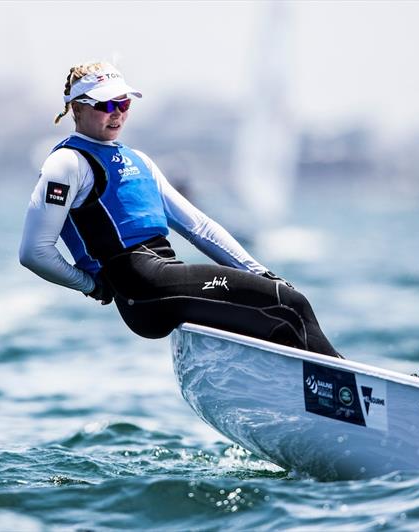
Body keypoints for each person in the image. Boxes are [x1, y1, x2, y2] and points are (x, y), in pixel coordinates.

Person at [19, 61, 341, 358]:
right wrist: (89, 285)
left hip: (164, 277)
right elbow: (34, 251)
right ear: (77, 107)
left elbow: (199, 227)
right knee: (291, 306)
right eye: (105, 105)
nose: (117, 113)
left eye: (124, 103)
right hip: (142, 287)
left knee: (277, 310)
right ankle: (350, 393)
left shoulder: (140, 160)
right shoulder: (67, 163)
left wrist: (258, 272)